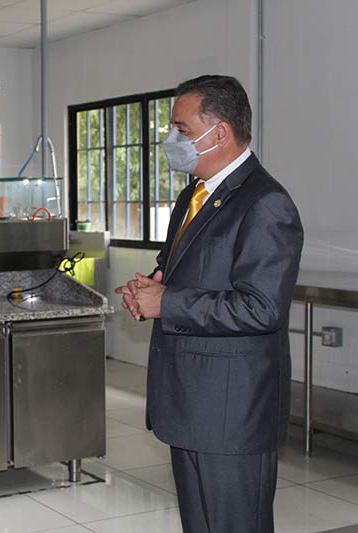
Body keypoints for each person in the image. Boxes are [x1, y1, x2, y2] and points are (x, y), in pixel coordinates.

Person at [115, 75, 303, 533]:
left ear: (219, 133)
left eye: (181, 129)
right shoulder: (193, 195)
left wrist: (169, 303)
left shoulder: (265, 203)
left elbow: (262, 308)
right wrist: (150, 289)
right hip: (189, 403)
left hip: (231, 412)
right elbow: (179, 269)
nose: (171, 139)